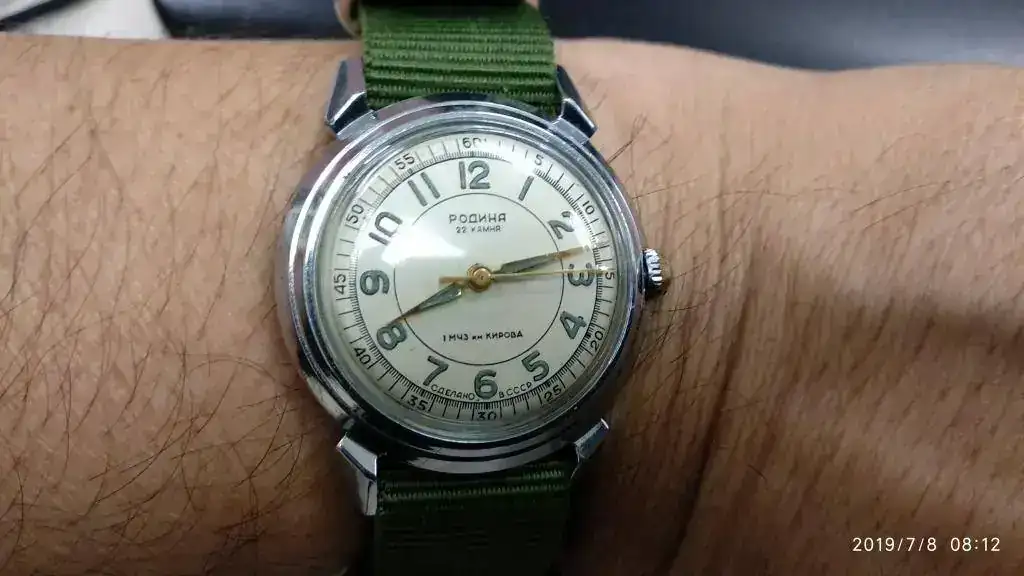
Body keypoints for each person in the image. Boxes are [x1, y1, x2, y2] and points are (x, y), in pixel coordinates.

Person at [0, 21, 1021, 576]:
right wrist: (721, 402)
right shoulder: (365, 192)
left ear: (642, 271)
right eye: (474, 273)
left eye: (491, 272)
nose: (479, 276)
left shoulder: (577, 219)